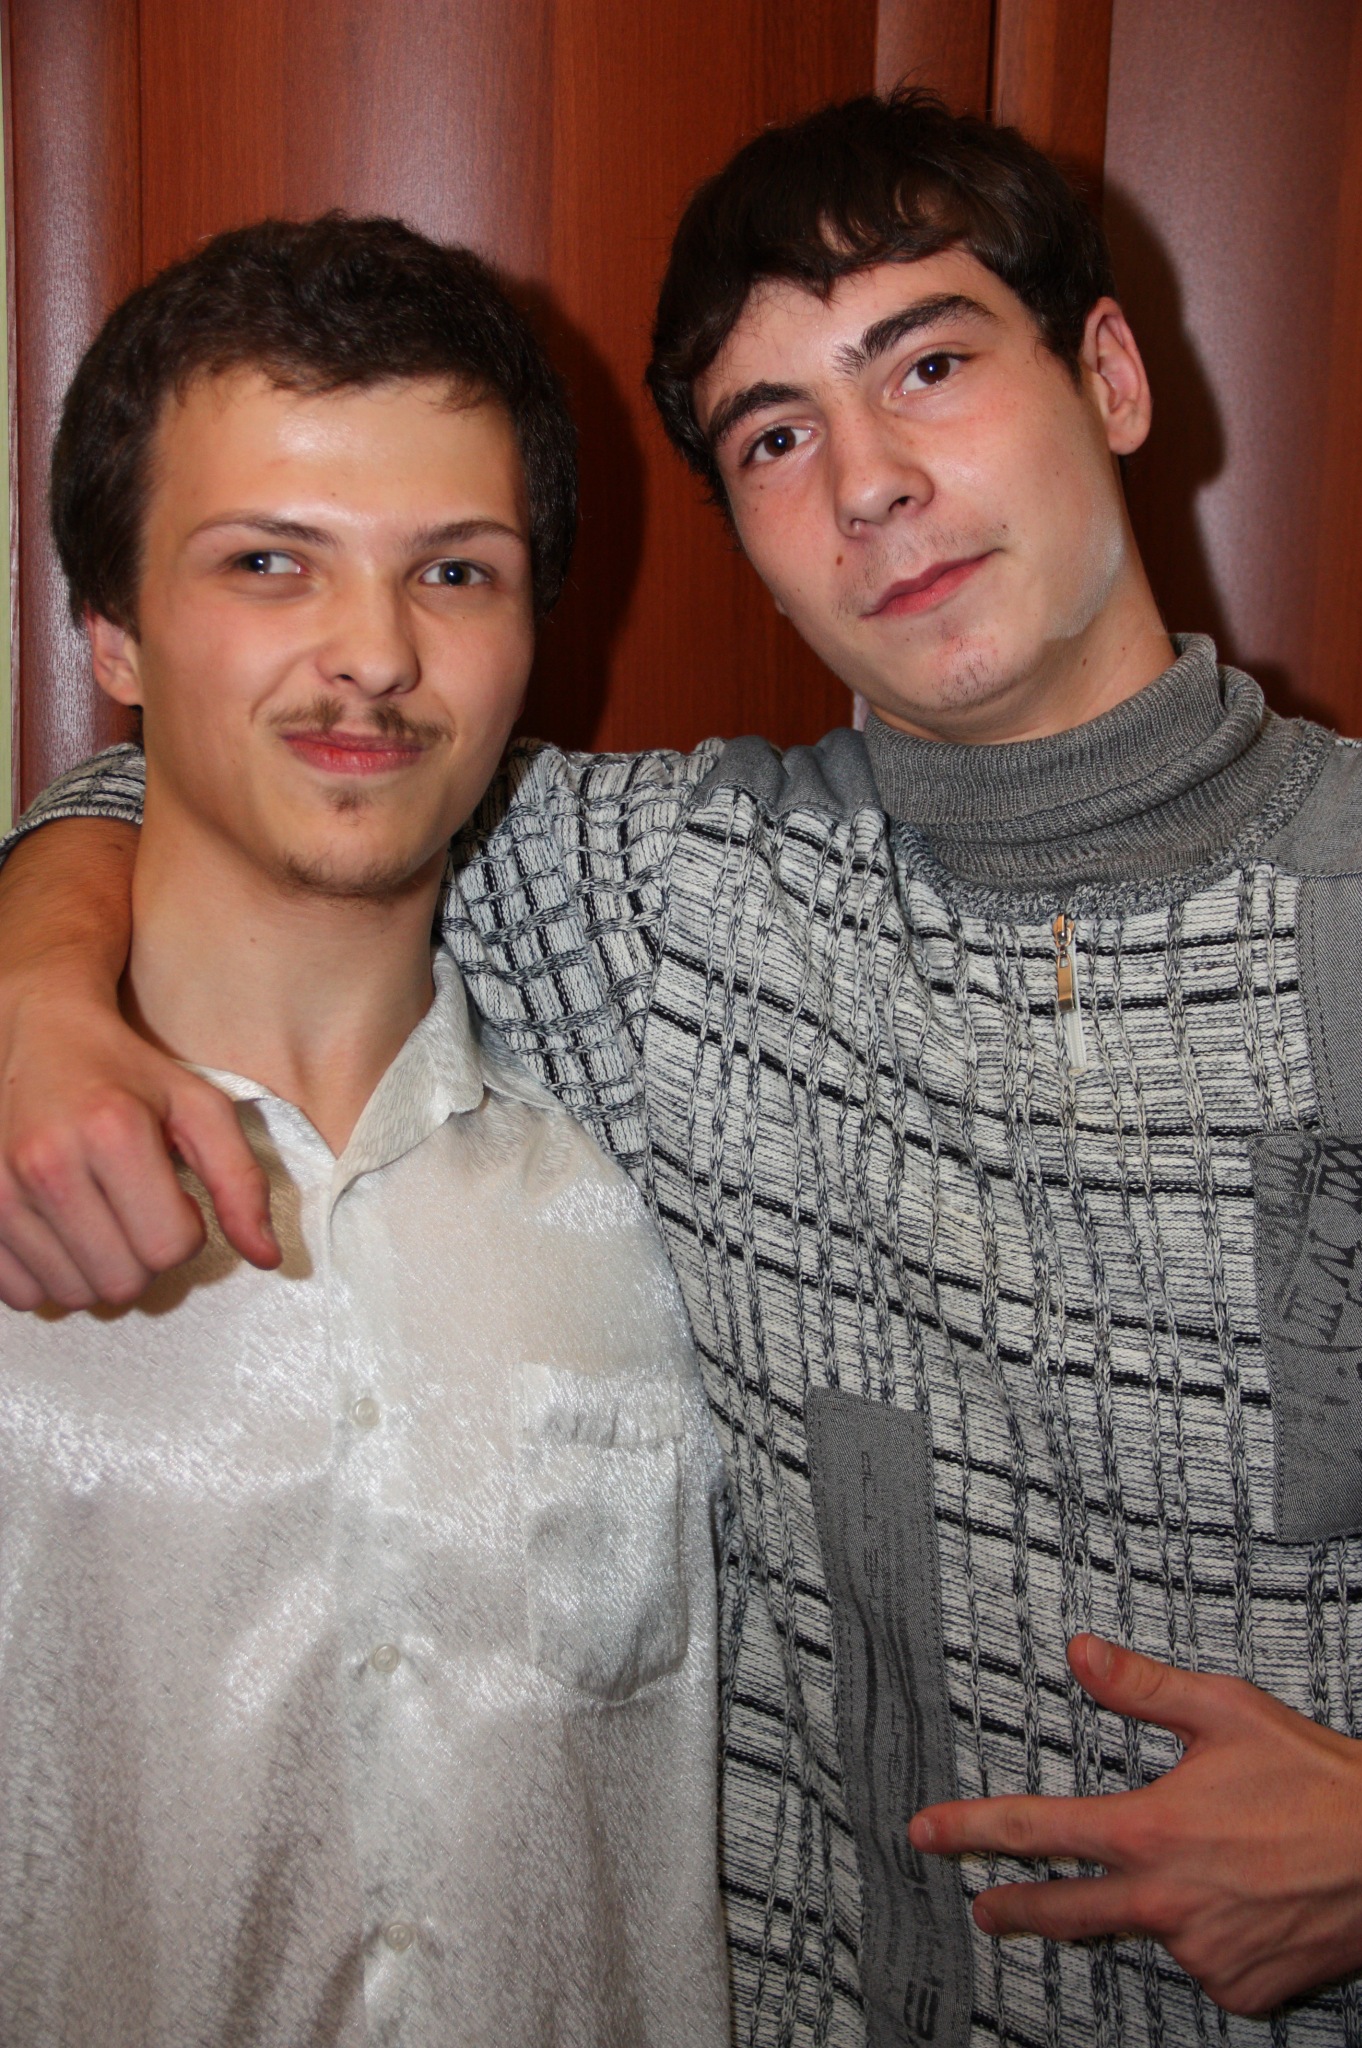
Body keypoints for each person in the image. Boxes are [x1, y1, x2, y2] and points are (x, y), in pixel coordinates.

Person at [3, 88, 1362, 2047]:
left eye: (928, 364)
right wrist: (39, 984)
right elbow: (253, 764)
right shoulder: (668, 895)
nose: (871, 482)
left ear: (1112, 377)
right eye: (775, 435)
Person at [0, 215, 730, 2047]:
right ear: (113, 631)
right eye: (270, 562)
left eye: (455, 573)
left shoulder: (665, 1191)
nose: (374, 656)